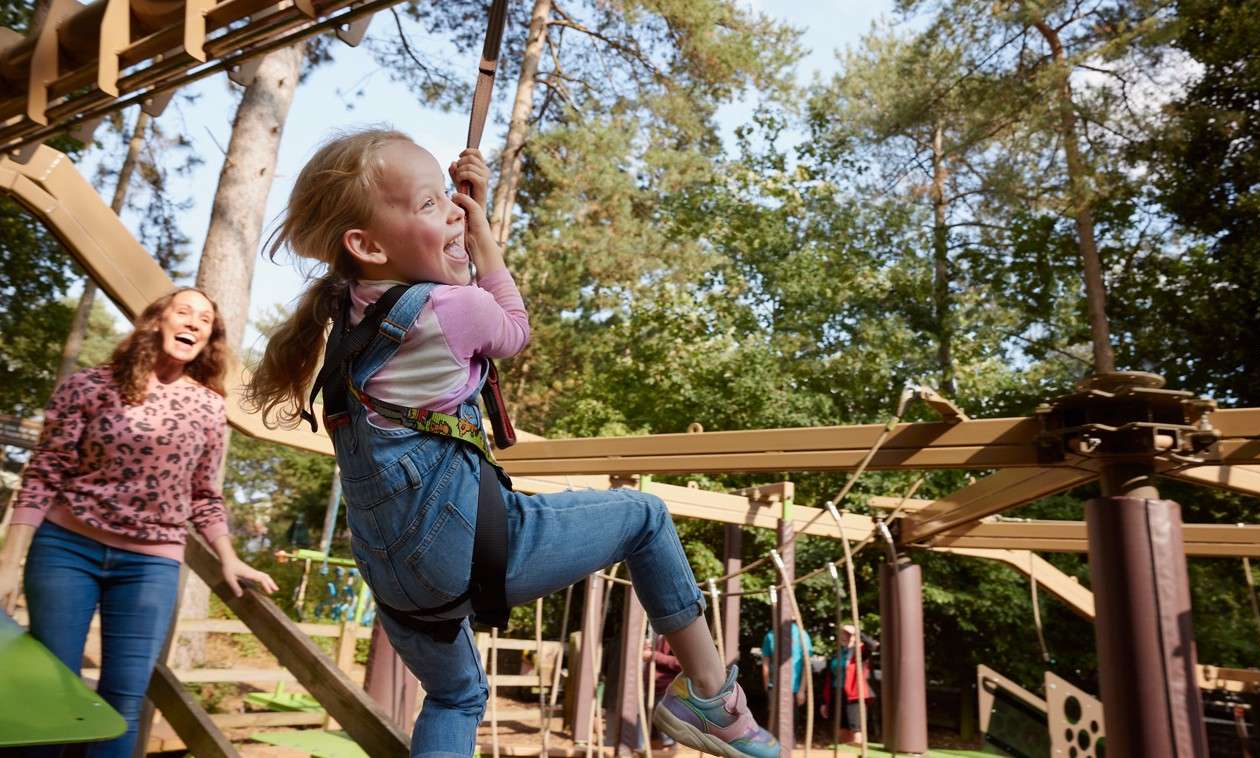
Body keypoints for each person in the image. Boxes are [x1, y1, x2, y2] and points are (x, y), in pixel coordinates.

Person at [245, 128, 780, 758]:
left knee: (454, 699)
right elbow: (509, 325)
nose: (452, 211)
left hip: (396, 583)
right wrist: (486, 237)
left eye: (447, 196)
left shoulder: (350, 323)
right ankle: (710, 698)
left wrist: (457, 218)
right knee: (645, 516)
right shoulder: (450, 311)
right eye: (429, 205)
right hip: (462, 551)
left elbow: (441, 277)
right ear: (364, 244)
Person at [0, 288, 278, 757]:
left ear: (209, 338)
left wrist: (229, 558)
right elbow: (44, 473)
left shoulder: (209, 408)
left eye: (205, 319)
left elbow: (204, 495)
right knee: (52, 692)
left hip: (150, 566)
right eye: (183, 312)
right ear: (156, 321)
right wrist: (10, 561)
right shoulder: (89, 386)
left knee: (125, 700)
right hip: (66, 550)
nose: (193, 322)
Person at [820, 624, 877, 746]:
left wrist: (858, 632)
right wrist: (825, 702)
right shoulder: (838, 654)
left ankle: (858, 747)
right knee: (841, 727)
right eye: (842, 634)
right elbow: (829, 679)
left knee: (856, 727)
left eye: (848, 634)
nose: (844, 636)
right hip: (837, 693)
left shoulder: (860, 651)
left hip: (854, 694)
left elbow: (873, 645)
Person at [760, 622, 814, 721]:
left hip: (794, 688)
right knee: (774, 721)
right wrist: (767, 686)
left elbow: (806, 665)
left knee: (790, 724)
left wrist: (802, 690)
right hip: (774, 687)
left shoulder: (801, 635)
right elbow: (765, 663)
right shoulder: (771, 635)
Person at [644, 633, 682, 750]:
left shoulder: (676, 637)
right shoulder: (659, 636)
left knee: (667, 735)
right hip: (653, 689)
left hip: (666, 689)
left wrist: (654, 656)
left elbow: (681, 663)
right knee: (654, 733)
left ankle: (670, 748)